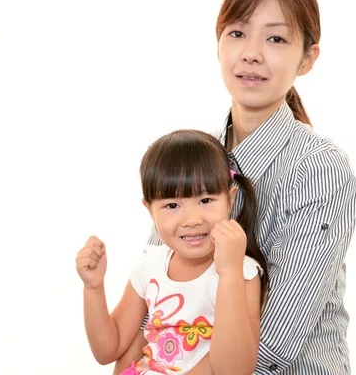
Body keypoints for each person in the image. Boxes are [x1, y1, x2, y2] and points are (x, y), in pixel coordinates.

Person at [115, 0, 356, 374]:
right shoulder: (193, 155)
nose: (251, 53)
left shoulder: (320, 169)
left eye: (276, 39)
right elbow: (151, 296)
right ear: (218, 43)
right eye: (238, 32)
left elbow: (276, 341)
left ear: (308, 58)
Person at [76, 129, 271, 374]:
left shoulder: (241, 272)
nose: (191, 219)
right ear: (149, 210)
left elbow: (234, 370)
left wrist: (229, 273)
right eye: (172, 205)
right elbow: (108, 350)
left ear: (230, 199)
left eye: (206, 200)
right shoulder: (150, 266)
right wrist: (93, 288)